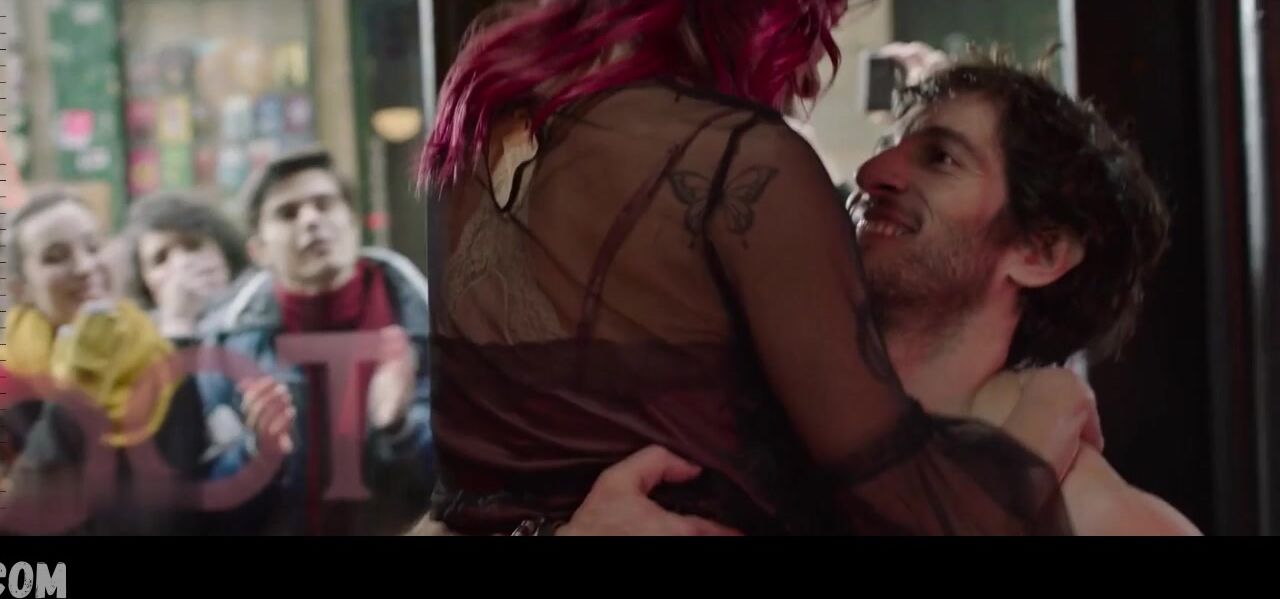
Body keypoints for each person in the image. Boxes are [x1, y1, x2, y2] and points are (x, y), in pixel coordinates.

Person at [419, 0, 1097, 536]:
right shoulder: (743, 163)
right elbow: (910, 504)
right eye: (815, 21)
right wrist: (1047, 421)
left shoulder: (484, 124)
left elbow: (476, 496)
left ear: (1043, 254)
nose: (811, 69)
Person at [541, 57, 1202, 536]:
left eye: (941, 159)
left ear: (1039, 252)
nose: (871, 173)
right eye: (889, 146)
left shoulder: (1100, 519)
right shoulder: (714, 420)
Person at [0, 189, 289, 535]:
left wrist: (258, 454)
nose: (85, 266)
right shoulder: (11, 393)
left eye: (93, 247)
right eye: (55, 257)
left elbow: (190, 504)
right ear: (21, 289)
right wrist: (74, 396)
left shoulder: (158, 361)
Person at [197, 149, 434, 535]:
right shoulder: (225, 347)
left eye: (324, 204)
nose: (311, 220)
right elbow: (210, 508)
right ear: (258, 250)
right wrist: (257, 455)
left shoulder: (427, 321)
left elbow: (471, 478)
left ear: (353, 222)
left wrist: (400, 428)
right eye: (288, 213)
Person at [123, 191, 251, 343]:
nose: (182, 264)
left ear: (224, 252)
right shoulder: (135, 344)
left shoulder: (263, 309)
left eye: (192, 247)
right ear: (144, 283)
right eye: (161, 259)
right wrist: (177, 323)